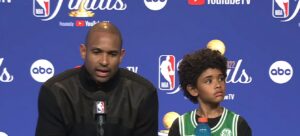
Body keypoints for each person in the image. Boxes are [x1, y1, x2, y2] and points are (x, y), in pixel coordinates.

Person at [35, 22, 159, 136]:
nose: (104, 61)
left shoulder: (143, 94)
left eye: (112, 54)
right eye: (97, 52)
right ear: (83, 51)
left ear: (121, 56)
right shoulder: (56, 92)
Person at [168, 48, 251, 136]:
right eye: (209, 81)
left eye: (221, 79)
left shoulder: (238, 124)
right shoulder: (181, 126)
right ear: (193, 89)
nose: (218, 85)